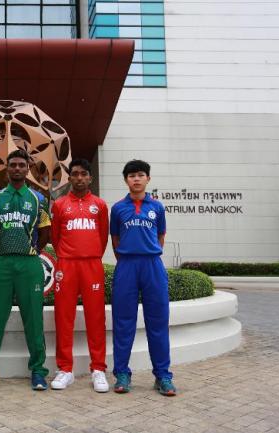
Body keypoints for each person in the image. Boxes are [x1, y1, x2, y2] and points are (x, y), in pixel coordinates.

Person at [0, 149, 51, 390]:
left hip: (29, 263)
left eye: (21, 165)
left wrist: (34, 251)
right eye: (13, 165)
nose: (17, 168)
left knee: (34, 319)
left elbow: (45, 231)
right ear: (7, 169)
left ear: (27, 169)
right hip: (2, 263)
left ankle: (38, 371)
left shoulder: (38, 199)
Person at [109, 160, 176, 396]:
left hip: (152, 266)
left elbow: (161, 236)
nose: (136, 179)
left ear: (148, 178)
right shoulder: (118, 208)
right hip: (127, 266)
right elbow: (115, 240)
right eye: (131, 175)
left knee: (158, 322)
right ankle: (122, 374)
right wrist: (128, 259)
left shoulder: (157, 207)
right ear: (125, 180)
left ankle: (163, 375)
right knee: (123, 322)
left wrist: (149, 253)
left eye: (140, 175)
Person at [50, 158, 110, 392]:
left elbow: (103, 237)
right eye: (75, 174)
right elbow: (55, 237)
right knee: (63, 317)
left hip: (92, 265)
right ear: (70, 178)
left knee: (96, 317)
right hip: (66, 265)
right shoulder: (60, 204)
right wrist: (68, 256)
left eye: (84, 174)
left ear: (90, 178)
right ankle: (65, 369)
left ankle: (98, 369)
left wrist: (90, 255)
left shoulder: (100, 205)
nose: (79, 178)